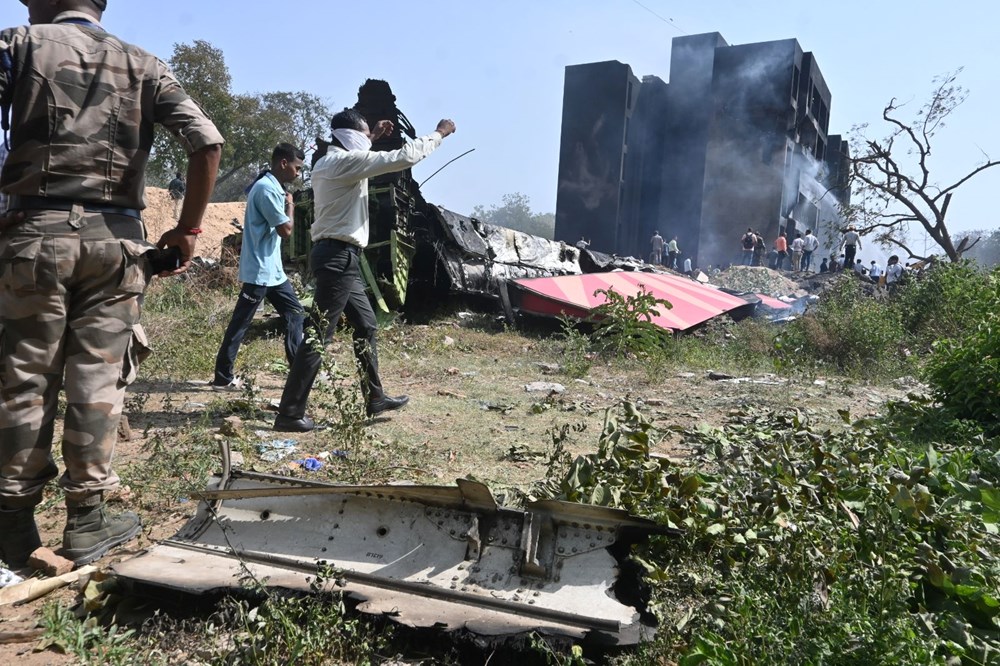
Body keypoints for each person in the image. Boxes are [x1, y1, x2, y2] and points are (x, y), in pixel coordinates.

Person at [0, 0, 223, 568]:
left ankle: (12, 522)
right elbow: (206, 141)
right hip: (117, 243)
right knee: (98, 376)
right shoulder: (144, 63)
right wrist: (189, 230)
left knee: (25, 375)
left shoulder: (19, 43)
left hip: (33, 234)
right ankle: (88, 519)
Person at [273, 109, 456, 433]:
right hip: (339, 258)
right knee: (318, 335)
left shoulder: (329, 162)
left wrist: (369, 136)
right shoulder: (344, 163)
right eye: (363, 136)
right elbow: (404, 157)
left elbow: (359, 153)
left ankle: (375, 397)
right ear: (351, 139)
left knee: (366, 325)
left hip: (342, 257)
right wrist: (438, 134)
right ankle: (289, 413)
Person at [211, 144, 306, 390]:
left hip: (273, 272)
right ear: (283, 163)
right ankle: (223, 377)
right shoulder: (266, 190)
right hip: (260, 272)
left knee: (295, 314)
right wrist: (291, 206)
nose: (298, 174)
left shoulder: (273, 187)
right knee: (240, 324)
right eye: (297, 168)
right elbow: (285, 231)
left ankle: (298, 369)